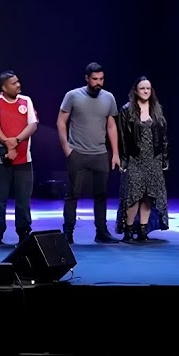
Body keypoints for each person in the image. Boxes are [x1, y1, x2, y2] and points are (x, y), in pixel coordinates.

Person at [56, 63, 120, 244]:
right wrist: (67, 149)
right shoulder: (73, 95)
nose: (98, 82)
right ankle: (68, 232)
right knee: (72, 195)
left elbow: (111, 126)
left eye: (101, 79)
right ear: (87, 78)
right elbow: (61, 122)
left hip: (100, 153)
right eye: (95, 79)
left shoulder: (109, 98)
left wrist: (115, 153)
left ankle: (101, 232)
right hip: (78, 153)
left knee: (101, 195)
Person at [0, 71, 38, 245]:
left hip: (23, 159)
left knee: (23, 200)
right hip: (0, 161)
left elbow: (32, 125)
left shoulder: (26, 101)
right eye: (13, 83)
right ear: (4, 87)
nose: (18, 85)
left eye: (18, 82)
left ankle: (23, 232)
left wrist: (15, 141)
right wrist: (7, 146)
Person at [116, 77, 169, 242]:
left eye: (148, 88)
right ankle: (128, 230)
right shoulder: (127, 109)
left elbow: (163, 136)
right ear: (136, 90)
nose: (146, 91)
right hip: (135, 158)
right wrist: (123, 159)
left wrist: (164, 159)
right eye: (142, 88)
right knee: (133, 195)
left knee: (149, 195)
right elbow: (122, 136)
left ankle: (143, 230)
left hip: (153, 158)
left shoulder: (157, 109)